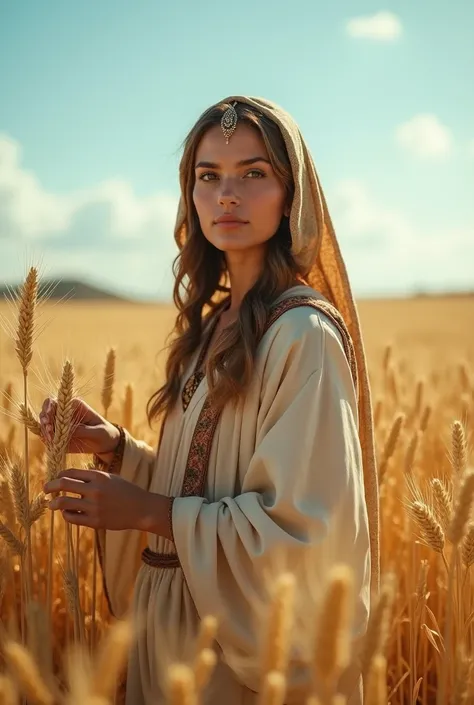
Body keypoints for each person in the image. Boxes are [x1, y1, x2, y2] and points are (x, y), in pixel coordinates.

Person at [41, 96, 379, 705]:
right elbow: (201, 482)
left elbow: (303, 532)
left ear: (292, 196)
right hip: (170, 634)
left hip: (238, 658)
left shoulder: (302, 335)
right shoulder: (211, 327)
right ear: (189, 196)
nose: (228, 194)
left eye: (254, 174)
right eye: (208, 176)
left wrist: (148, 513)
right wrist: (119, 451)